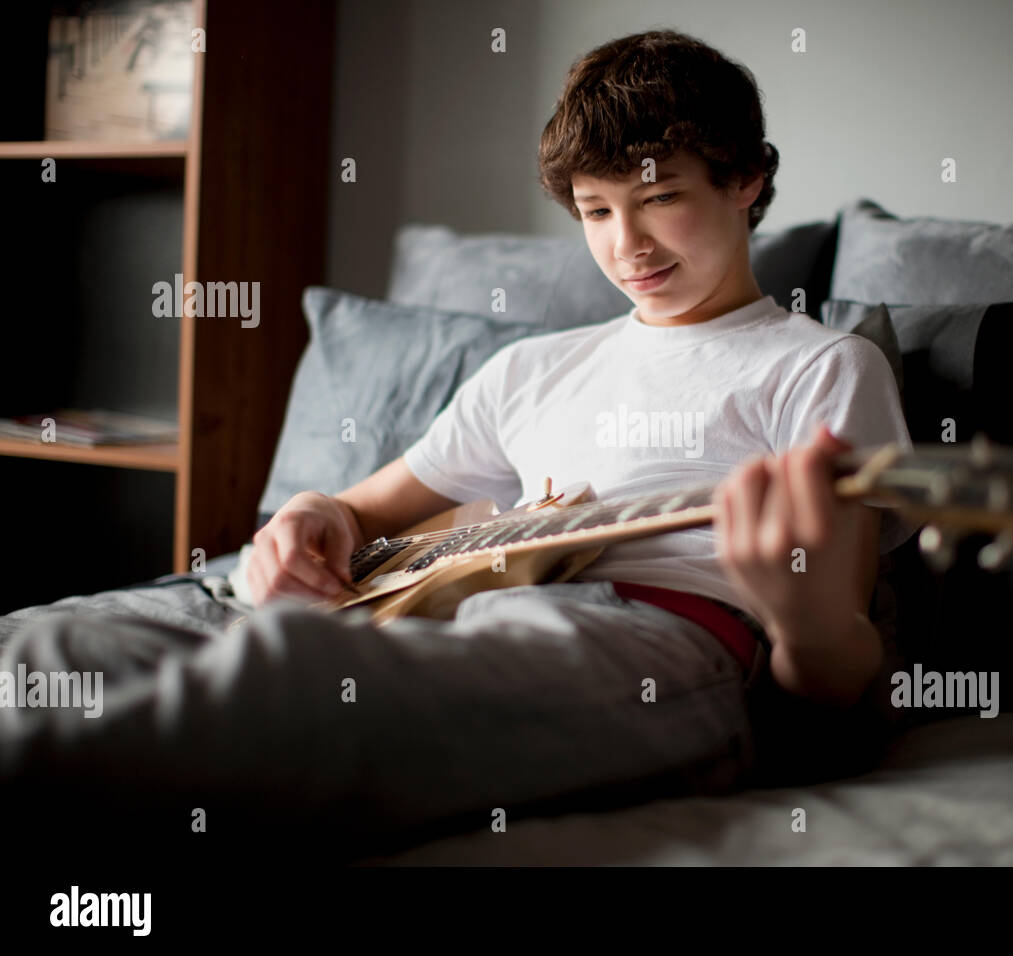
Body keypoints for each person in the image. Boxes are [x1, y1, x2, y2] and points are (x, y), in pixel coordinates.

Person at [0, 29, 914, 864]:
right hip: (437, 602)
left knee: (286, 688)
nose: (625, 244)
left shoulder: (823, 368)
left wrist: (797, 616)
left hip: (649, 642)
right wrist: (313, 514)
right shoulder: (534, 368)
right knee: (49, 645)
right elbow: (361, 509)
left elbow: (833, 700)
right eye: (595, 212)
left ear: (746, 179)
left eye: (660, 198)